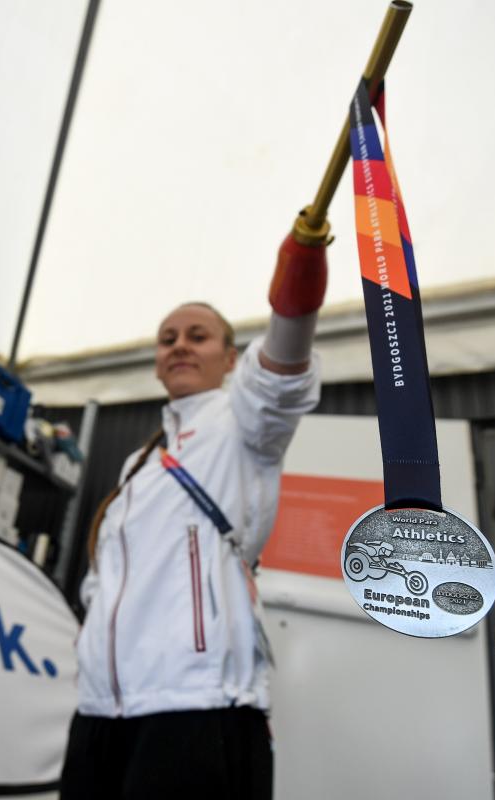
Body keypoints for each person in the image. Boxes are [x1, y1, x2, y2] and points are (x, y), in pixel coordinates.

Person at [59, 248, 325, 799]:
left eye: (198, 335)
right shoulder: (137, 466)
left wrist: (300, 268)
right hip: (99, 712)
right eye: (168, 338)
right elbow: (101, 580)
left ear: (231, 359)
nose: (179, 344)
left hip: (197, 708)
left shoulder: (243, 426)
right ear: (157, 362)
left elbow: (280, 380)